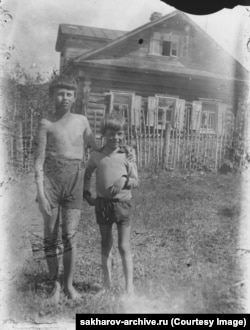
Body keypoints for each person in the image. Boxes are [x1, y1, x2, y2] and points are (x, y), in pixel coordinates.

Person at [34, 74, 98, 302]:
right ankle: (54, 285)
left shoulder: (82, 121)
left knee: (70, 236)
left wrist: (120, 149)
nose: (64, 98)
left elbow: (97, 148)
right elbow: (38, 161)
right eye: (60, 93)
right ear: (52, 95)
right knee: (50, 236)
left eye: (69, 94)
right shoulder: (46, 123)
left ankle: (69, 285)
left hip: (74, 184)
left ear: (75, 96)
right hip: (50, 185)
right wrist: (41, 194)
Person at [83, 113, 139, 296]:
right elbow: (87, 174)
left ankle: (129, 288)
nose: (116, 138)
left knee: (124, 246)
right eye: (112, 133)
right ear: (103, 134)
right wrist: (86, 193)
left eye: (120, 133)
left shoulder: (127, 155)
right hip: (103, 205)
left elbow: (136, 180)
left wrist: (124, 180)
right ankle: (107, 285)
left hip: (123, 205)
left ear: (124, 134)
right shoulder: (97, 155)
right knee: (106, 244)